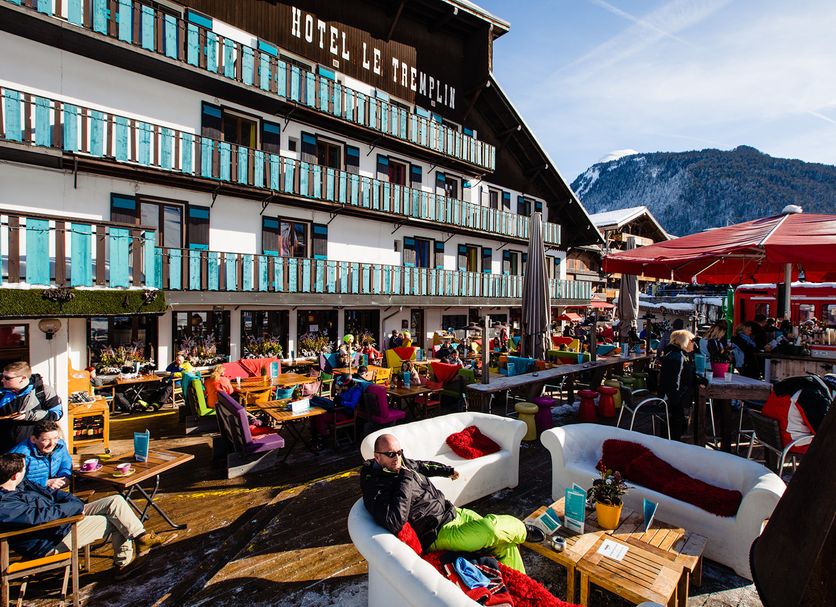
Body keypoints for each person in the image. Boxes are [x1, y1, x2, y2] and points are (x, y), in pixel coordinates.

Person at [360, 433, 530, 572]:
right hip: (439, 533)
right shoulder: (376, 485)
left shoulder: (402, 463)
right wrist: (404, 480)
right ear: (377, 457)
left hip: (454, 512)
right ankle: (524, 530)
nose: (397, 458)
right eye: (391, 454)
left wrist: (447, 471)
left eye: (399, 452)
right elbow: (394, 521)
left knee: (506, 544)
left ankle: (522, 586)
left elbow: (422, 466)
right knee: (490, 529)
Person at [0, 453, 171, 575]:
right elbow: (43, 517)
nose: (26, 471)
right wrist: (74, 509)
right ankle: (123, 565)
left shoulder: (22, 484)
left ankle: (141, 537)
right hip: (51, 540)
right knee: (115, 521)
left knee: (115, 501)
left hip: (64, 519)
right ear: (14, 476)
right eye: (24, 469)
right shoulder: (5, 506)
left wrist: (75, 504)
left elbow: (52, 493)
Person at [0, 362, 63, 454]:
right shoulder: (2, 392)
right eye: (2, 376)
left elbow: (57, 414)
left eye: (7, 378)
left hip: (34, 449)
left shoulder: (43, 391)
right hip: (5, 449)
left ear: (22, 378)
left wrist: (29, 415)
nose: (2, 380)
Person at [8, 420, 72, 490]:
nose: (52, 444)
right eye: (46, 440)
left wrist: (64, 477)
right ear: (33, 439)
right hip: (28, 492)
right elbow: (10, 482)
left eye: (56, 438)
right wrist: (44, 483)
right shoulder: (20, 455)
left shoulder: (60, 445)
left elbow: (65, 461)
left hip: (51, 489)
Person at [659, 329, 697, 441]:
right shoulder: (677, 356)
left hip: (674, 398)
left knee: (677, 425)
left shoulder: (676, 354)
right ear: (685, 341)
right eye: (692, 341)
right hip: (672, 399)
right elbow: (673, 380)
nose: (694, 344)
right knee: (676, 427)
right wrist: (676, 400)